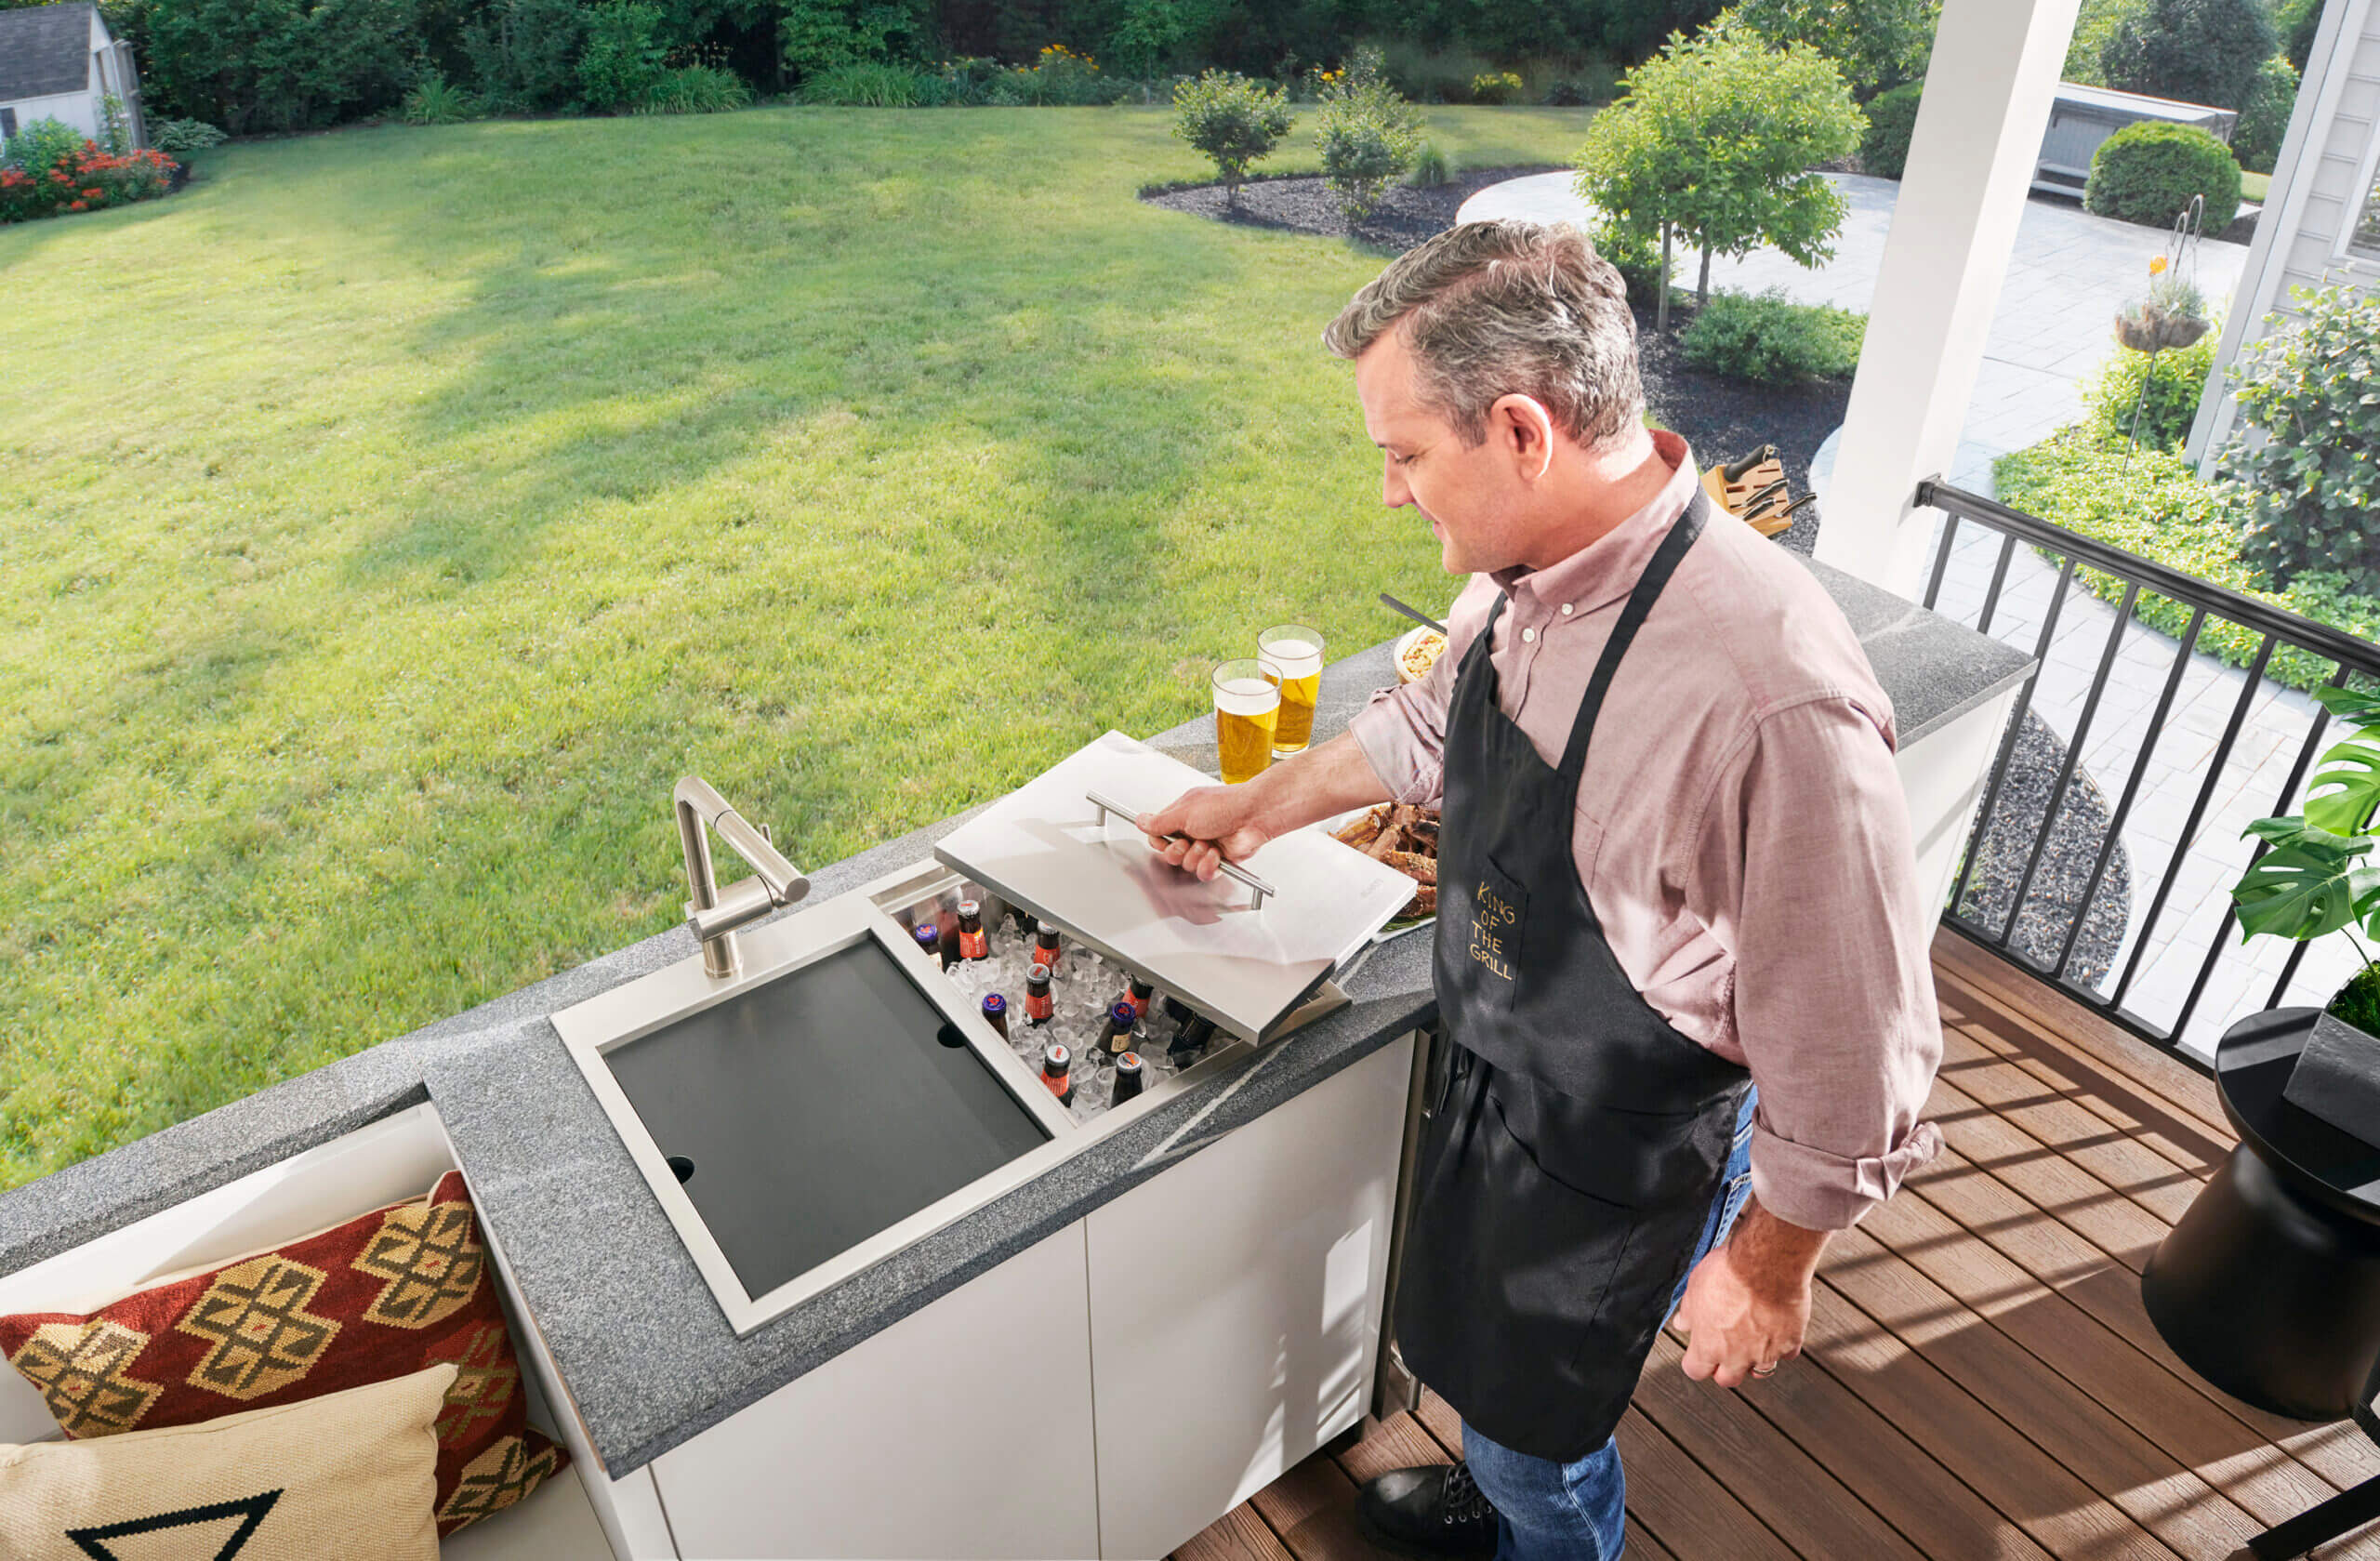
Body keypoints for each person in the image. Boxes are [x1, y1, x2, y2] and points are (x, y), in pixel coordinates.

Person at [1137, 220, 1943, 1561]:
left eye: (1403, 455)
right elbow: (1439, 725)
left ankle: (1540, 1527)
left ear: (1521, 430)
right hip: (1502, 1074)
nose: (1392, 494)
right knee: (1482, 1364)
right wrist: (1254, 806)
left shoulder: (1767, 701)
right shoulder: (1530, 582)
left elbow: (1858, 1060)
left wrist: (1766, 1266)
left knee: (1539, 1433)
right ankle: (1505, 1493)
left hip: (1624, 1146)